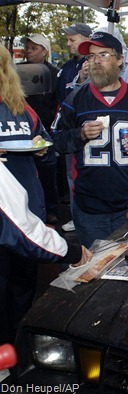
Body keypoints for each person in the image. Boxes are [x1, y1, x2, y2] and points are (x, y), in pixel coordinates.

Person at [51, 32, 128, 247]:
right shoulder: (76, 99)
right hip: (90, 208)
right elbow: (56, 139)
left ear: (120, 59)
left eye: (103, 54)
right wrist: (80, 134)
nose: (96, 62)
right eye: (91, 57)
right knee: (95, 269)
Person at [0, 42, 74, 344]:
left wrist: (44, 151)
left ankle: (14, 347)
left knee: (22, 289)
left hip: (30, 214)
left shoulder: (22, 109)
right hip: (5, 219)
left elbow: (46, 145)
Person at [18, 33, 60, 225]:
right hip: (22, 130)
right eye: (27, 48)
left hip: (46, 129)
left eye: (34, 48)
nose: (29, 51)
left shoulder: (54, 73)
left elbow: (59, 101)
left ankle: (51, 210)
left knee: (47, 174)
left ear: (44, 51)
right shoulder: (16, 71)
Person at [56, 22, 94, 233]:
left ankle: (84, 216)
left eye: (73, 39)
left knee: (83, 173)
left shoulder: (93, 65)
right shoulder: (66, 67)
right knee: (71, 176)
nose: (68, 44)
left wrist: (83, 78)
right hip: (68, 129)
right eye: (67, 40)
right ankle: (75, 214)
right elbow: (61, 97)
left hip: (89, 131)